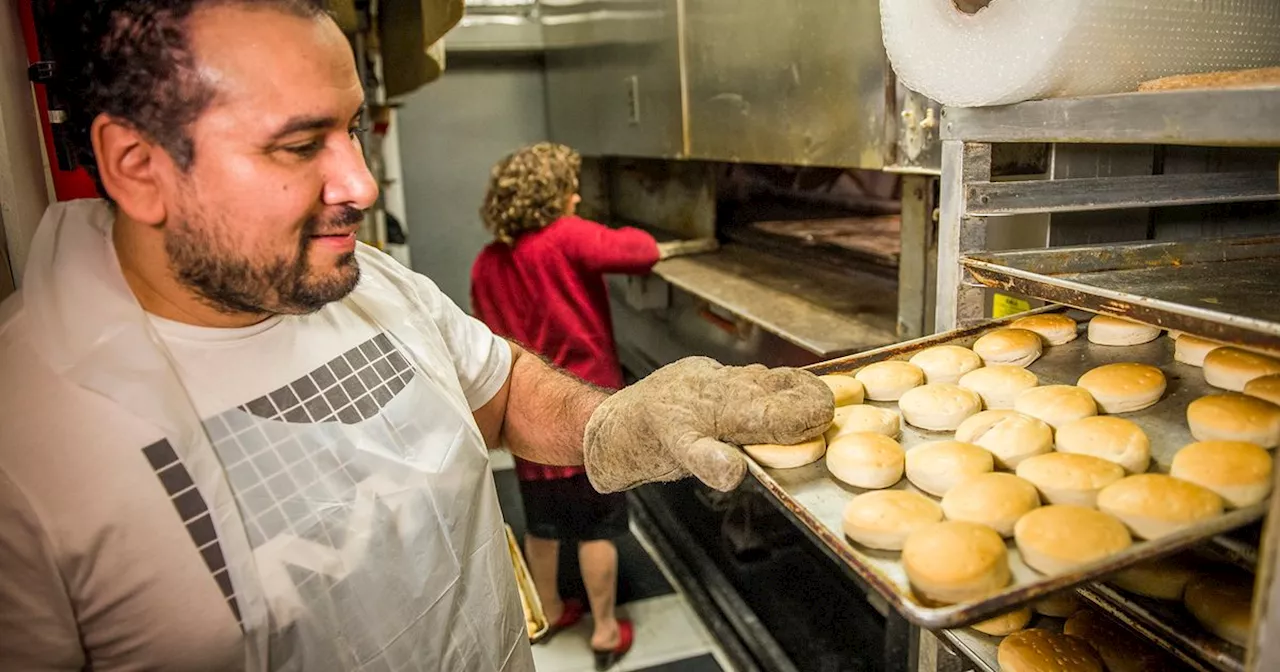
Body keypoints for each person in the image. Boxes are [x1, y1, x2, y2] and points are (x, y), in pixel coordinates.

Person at [0, 2, 834, 671]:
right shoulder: (28, 443)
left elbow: (496, 386)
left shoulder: (372, 284)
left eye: (352, 130)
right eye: (298, 145)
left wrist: (607, 424)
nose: (359, 184)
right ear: (138, 166)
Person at [470, 143, 667, 669]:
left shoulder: (488, 261)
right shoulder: (567, 236)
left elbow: (485, 336)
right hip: (586, 416)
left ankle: (552, 608)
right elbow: (642, 251)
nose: (577, 194)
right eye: (569, 187)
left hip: (527, 418)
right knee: (598, 526)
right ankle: (604, 630)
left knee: (544, 523)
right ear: (551, 196)